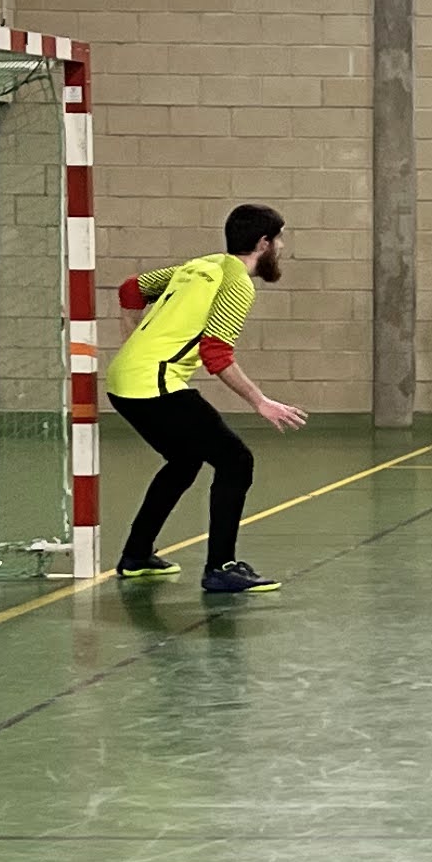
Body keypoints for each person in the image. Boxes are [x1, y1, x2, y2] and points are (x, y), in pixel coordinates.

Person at [100, 203, 309, 596]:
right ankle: (221, 568)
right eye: (279, 240)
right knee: (236, 460)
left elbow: (131, 288)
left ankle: (137, 555)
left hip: (123, 380)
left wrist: (132, 342)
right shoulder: (238, 283)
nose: (282, 248)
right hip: (153, 384)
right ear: (263, 244)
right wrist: (260, 401)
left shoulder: (202, 265)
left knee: (184, 461)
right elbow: (216, 354)